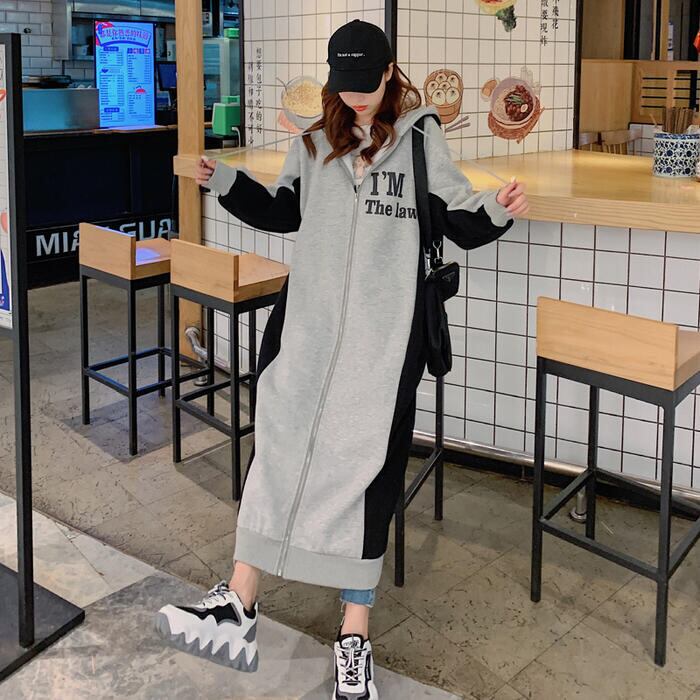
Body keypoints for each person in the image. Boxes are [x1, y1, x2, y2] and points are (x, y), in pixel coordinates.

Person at [155, 19, 528, 700]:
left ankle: (354, 635)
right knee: (278, 446)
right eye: (345, 84)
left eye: (367, 83)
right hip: (308, 328)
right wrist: (226, 180)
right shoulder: (314, 141)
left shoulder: (420, 138)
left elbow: (455, 216)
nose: (356, 97)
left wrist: (497, 209)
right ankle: (238, 603)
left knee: (368, 472)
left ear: (389, 74)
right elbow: (284, 211)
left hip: (384, 341)